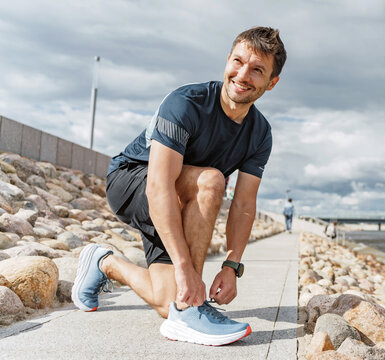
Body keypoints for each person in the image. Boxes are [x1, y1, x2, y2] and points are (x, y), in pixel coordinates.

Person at [71, 26, 286, 346]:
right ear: (227, 60)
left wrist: (231, 266)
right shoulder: (187, 102)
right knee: (212, 180)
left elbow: (243, 205)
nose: (243, 75)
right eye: (238, 61)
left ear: (271, 83)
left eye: (257, 70)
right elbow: (158, 186)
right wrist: (186, 268)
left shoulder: (260, 133)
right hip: (133, 180)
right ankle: (192, 309)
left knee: (167, 301)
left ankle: (104, 262)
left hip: (180, 196)